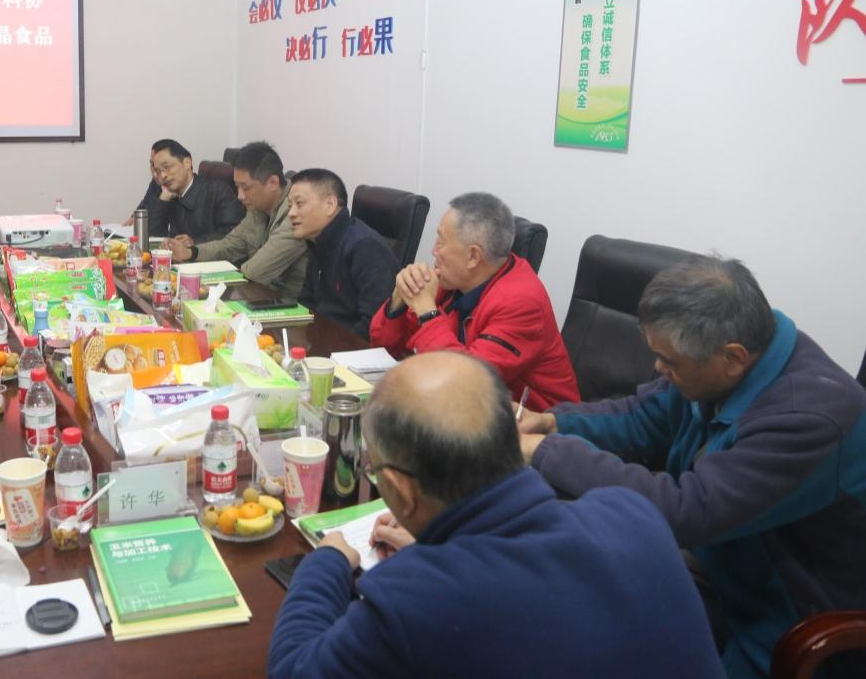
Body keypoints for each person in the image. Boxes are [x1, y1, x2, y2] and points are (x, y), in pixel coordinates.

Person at [268, 352, 725, 679]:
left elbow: (293, 669)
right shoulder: (633, 516)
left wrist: (327, 560)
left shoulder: (416, 598)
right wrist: (443, 546)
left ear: (401, 491)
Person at [518, 256, 866, 679]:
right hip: (721, 561)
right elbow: (642, 414)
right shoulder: (730, 353)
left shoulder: (808, 417)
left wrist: (548, 451)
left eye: (670, 362)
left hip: (780, 615)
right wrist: (551, 422)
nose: (659, 369)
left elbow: (688, 509)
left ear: (732, 357)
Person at [368, 192, 579, 410]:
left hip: (531, 423)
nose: (433, 250)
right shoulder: (454, 279)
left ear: (473, 257)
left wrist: (427, 312)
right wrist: (399, 298)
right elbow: (385, 349)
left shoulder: (522, 303)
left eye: (441, 240)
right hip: (464, 408)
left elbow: (466, 382)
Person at [166, 141, 308, 298]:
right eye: (237, 187)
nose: (240, 195)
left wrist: (224, 276)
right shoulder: (257, 209)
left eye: (245, 187)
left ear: (273, 183)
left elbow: (255, 271)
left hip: (289, 304)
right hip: (258, 295)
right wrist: (190, 252)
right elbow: (230, 245)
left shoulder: (296, 213)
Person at [288, 168, 397, 339]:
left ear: (330, 205)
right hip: (322, 340)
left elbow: (373, 326)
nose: (291, 213)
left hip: (351, 349)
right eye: (290, 206)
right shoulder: (318, 241)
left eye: (299, 204)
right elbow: (306, 303)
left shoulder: (365, 248)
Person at [134, 139, 243, 243]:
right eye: (158, 171)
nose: (163, 175)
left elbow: (233, 234)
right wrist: (163, 201)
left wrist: (195, 243)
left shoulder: (218, 191)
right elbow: (151, 238)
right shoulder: (168, 194)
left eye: (167, 167)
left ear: (187, 162)